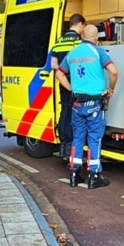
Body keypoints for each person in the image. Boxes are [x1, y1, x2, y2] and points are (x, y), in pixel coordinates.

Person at [55, 24, 119, 189]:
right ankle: (94, 175)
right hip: (94, 104)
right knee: (94, 138)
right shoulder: (98, 52)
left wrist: (71, 89)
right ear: (96, 38)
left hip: (76, 103)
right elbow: (113, 71)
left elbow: (59, 73)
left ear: (82, 35)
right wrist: (111, 89)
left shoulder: (72, 53)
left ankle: (74, 174)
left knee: (77, 138)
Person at [49, 14, 86, 160]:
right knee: (75, 114)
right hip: (75, 83)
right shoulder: (78, 43)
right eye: (83, 26)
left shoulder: (58, 42)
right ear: (80, 24)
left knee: (65, 110)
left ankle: (63, 145)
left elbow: (53, 66)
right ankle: (72, 148)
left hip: (62, 81)